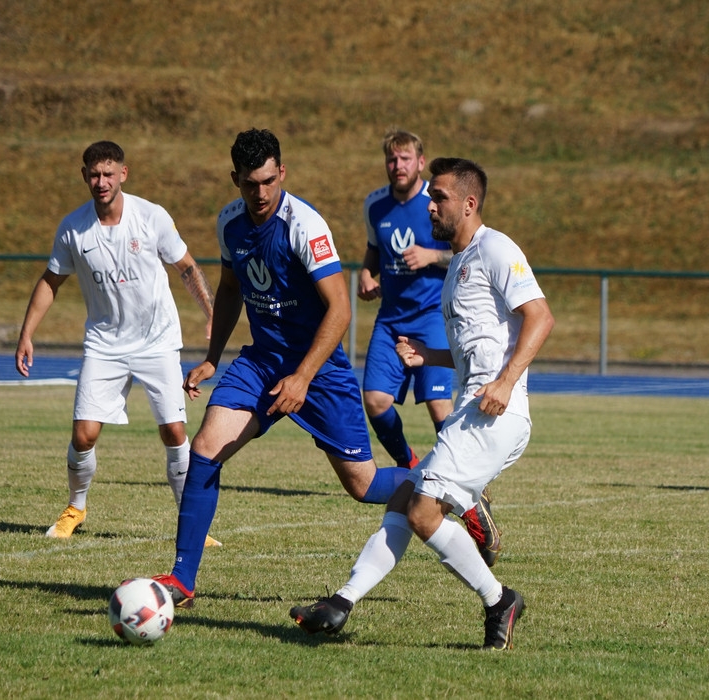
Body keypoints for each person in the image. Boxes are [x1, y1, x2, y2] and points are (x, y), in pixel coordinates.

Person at [289, 157, 555, 651]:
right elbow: (479, 347)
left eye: (440, 198)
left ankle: (499, 600)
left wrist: (504, 383)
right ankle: (342, 602)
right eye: (431, 197)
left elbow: (540, 318)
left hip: (495, 413)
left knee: (422, 512)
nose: (430, 206)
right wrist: (429, 355)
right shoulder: (458, 264)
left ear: (469, 204)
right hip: (472, 410)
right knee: (403, 502)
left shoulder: (496, 248)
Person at [150, 128, 419, 609]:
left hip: (320, 368)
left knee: (363, 485)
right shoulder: (230, 223)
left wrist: (302, 377)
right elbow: (230, 288)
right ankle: (182, 582)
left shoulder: (304, 225)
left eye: (269, 181)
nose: (260, 193)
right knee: (205, 449)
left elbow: (340, 309)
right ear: (235, 179)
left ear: (283, 173)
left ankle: (445, 485)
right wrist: (212, 357)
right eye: (250, 183)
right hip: (261, 361)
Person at [15, 140, 219, 543]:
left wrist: (212, 314)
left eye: (109, 173)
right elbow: (51, 281)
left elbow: (187, 268)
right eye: (94, 174)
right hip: (104, 344)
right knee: (84, 435)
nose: (101, 182)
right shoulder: (73, 228)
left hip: (157, 341)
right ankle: (76, 507)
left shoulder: (151, 217)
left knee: (174, 431)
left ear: (123, 174)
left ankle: (191, 523)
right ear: (84, 176)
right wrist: (27, 334)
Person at [359, 129, 501, 566]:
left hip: (430, 318)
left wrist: (429, 256)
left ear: (420, 163)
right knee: (375, 400)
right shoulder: (374, 205)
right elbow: (373, 250)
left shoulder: (438, 201)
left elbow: (463, 251)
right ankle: (410, 465)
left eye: (405, 159)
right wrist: (366, 274)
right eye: (392, 159)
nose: (397, 166)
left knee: (441, 408)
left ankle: (471, 491)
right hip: (390, 319)